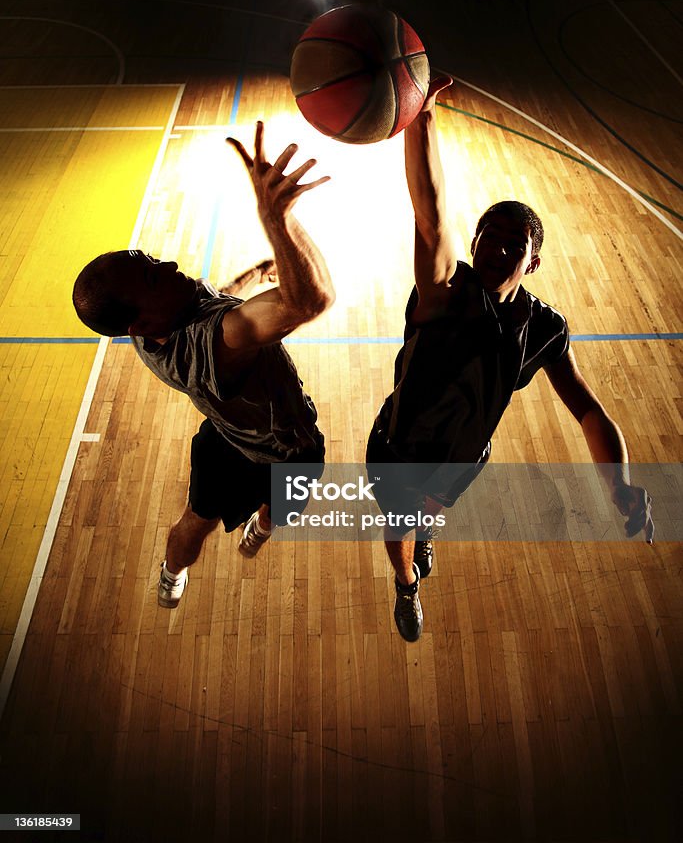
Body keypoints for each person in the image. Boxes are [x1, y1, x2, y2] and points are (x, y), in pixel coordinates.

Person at [366, 77, 655, 643]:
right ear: (473, 243)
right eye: (489, 235)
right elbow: (430, 211)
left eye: (512, 242)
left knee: (429, 508)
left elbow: (590, 413)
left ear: (535, 260)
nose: (497, 247)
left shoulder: (545, 328)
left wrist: (619, 484)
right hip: (400, 447)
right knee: (398, 527)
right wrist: (419, 119)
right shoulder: (443, 293)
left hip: (466, 457)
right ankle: (406, 586)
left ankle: (426, 530)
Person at [73, 121, 335, 608]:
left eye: (153, 260)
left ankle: (253, 530)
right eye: (154, 277)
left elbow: (217, 306)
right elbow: (310, 301)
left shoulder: (156, 330)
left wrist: (253, 274)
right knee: (195, 525)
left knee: (262, 511)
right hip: (262, 450)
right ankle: (173, 573)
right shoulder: (214, 345)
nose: (169, 266)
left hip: (251, 440)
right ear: (141, 318)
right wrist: (277, 220)